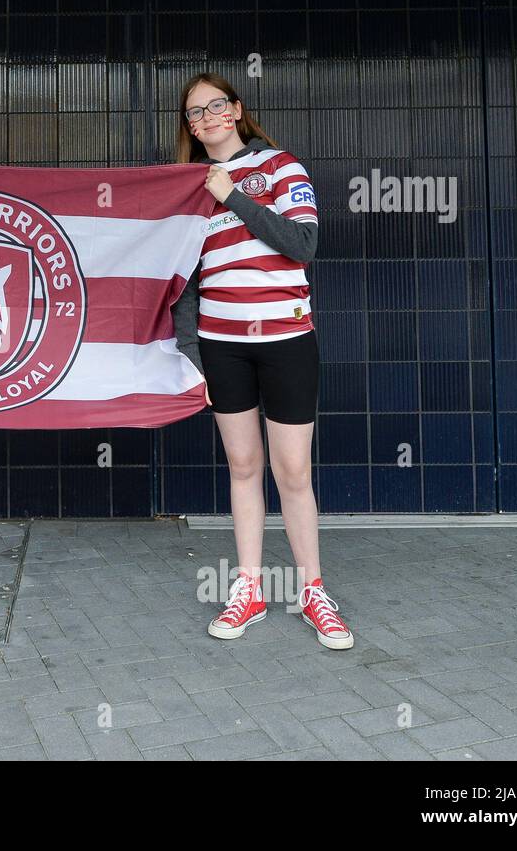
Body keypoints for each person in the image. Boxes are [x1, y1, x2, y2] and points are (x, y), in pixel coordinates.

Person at [172, 72, 353, 650]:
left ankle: (313, 592)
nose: (206, 118)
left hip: (286, 341)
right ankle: (248, 587)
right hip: (222, 346)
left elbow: (301, 245)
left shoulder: (281, 167)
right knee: (244, 467)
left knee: (292, 472)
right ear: (190, 127)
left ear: (237, 109)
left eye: (215, 106)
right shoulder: (189, 190)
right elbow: (187, 283)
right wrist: (193, 356)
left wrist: (233, 195)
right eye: (195, 113)